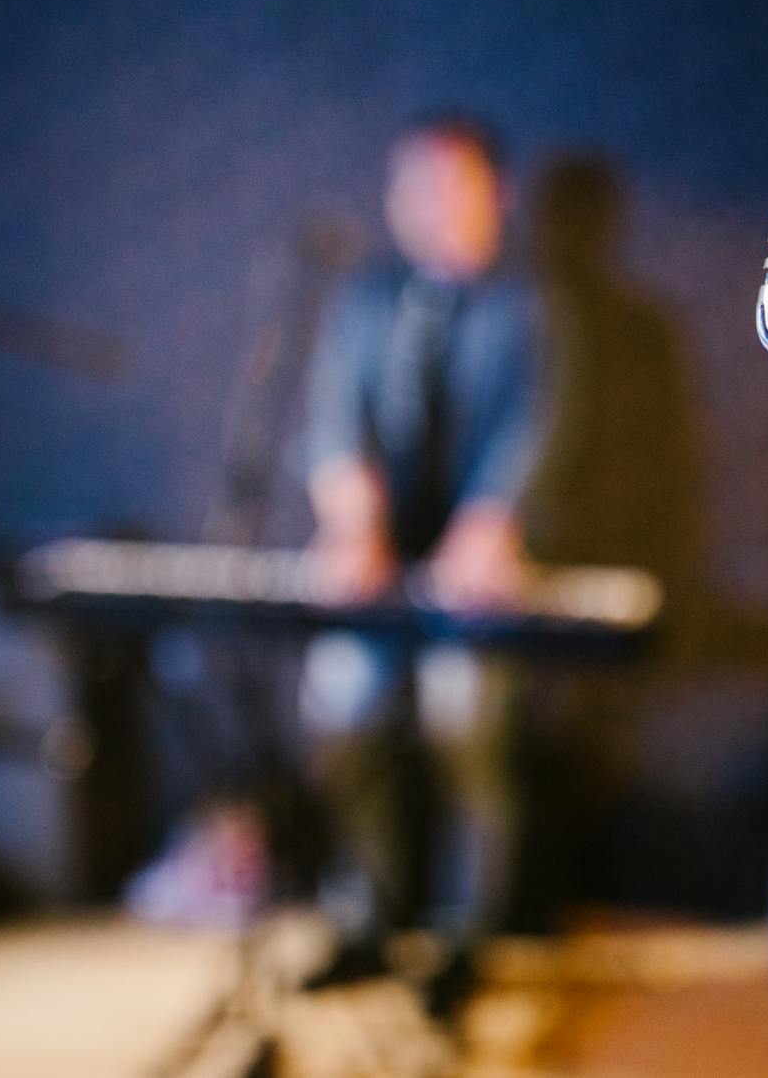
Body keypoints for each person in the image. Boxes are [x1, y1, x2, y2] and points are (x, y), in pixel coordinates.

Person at [299, 114, 546, 963]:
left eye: (448, 183)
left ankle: (462, 934)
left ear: (496, 194)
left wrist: (490, 525)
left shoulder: (531, 306)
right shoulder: (365, 298)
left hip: (484, 571)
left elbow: (536, 432)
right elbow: (332, 419)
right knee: (340, 706)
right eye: (410, 185)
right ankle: (362, 911)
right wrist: (348, 514)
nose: (425, 204)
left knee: (461, 716)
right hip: (378, 568)